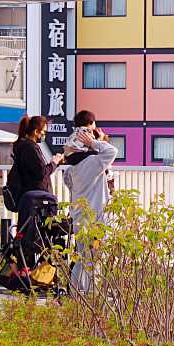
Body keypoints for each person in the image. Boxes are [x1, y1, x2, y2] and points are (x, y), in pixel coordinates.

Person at [62, 111, 122, 294]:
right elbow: (112, 151)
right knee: (93, 257)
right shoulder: (94, 163)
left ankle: (75, 291)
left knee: (81, 256)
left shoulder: (71, 170)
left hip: (79, 218)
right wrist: (96, 142)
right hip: (95, 219)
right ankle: (90, 293)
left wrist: (92, 143)